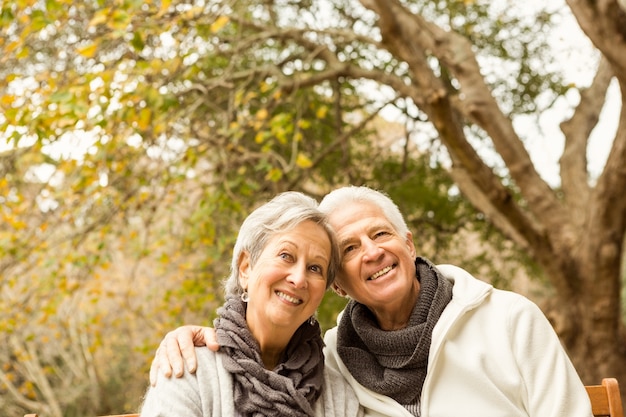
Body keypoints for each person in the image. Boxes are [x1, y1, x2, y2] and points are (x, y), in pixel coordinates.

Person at [150, 186, 593, 417]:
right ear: (340, 287)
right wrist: (193, 337)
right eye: (351, 249)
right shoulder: (337, 362)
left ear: (409, 243)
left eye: (379, 234)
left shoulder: (509, 320)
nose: (373, 252)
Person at [140, 191, 363, 417]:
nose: (299, 279)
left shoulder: (339, 395)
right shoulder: (186, 369)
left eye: (315, 268)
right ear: (246, 267)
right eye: (286, 256)